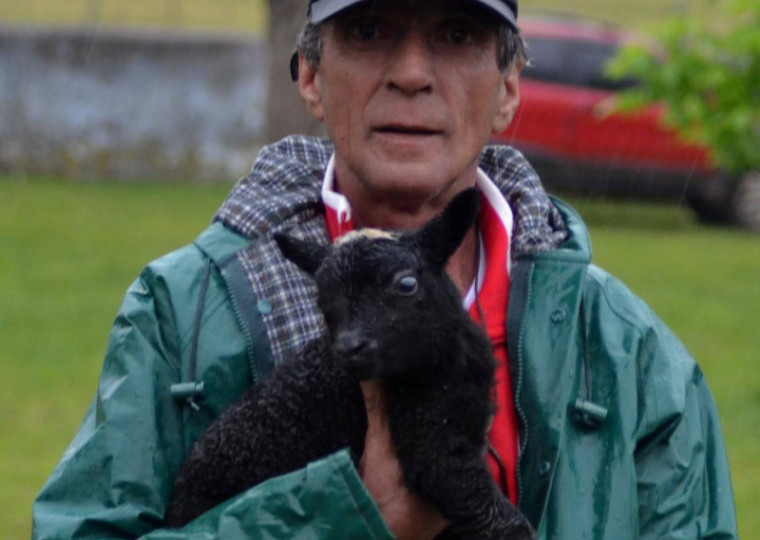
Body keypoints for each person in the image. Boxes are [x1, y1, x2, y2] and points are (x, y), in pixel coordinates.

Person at [32, 0, 738, 538]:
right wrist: (344, 517)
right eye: (369, 31)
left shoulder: (624, 351)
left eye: (457, 35)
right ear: (310, 74)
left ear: (510, 85)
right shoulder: (183, 312)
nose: (409, 73)